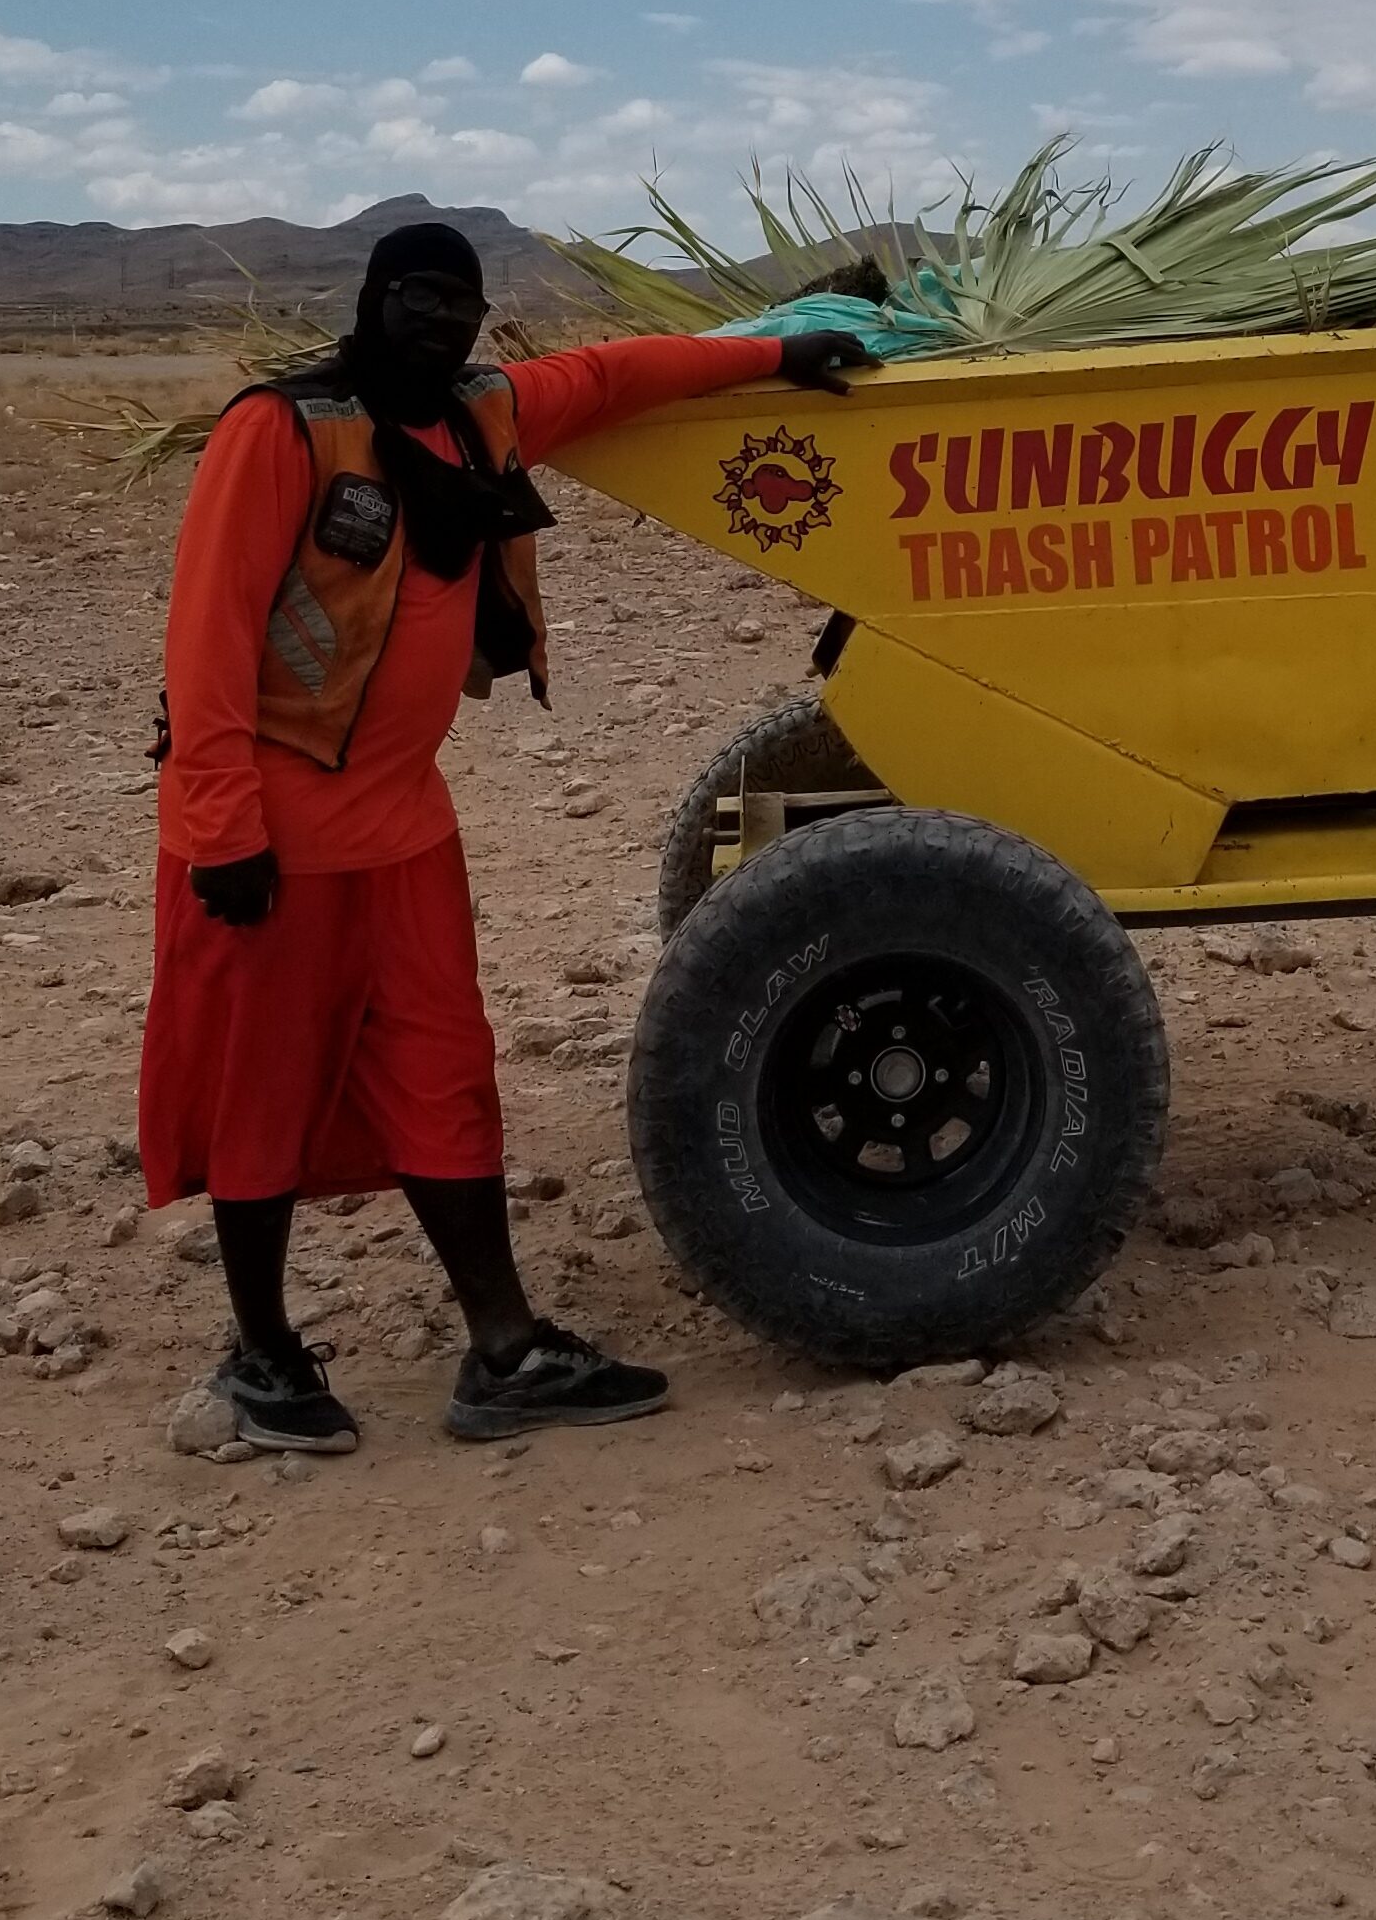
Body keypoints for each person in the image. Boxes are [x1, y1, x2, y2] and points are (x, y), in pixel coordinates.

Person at [138, 216, 868, 1454]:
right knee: (260, 1091)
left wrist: (783, 353)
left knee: (446, 1075)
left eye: (460, 307)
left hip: (406, 828)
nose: (439, 323)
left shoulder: (480, 416)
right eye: (417, 299)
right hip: (275, 830)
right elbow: (204, 638)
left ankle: (506, 1349)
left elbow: (621, 375)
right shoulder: (282, 432)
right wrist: (221, 829)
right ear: (373, 301)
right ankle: (260, 1356)